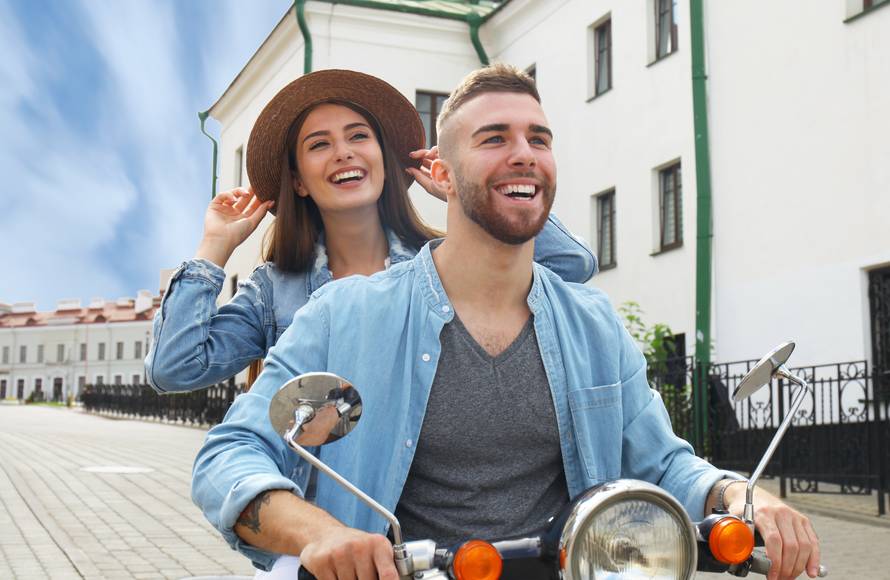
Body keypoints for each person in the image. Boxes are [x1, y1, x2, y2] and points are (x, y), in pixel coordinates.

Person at [192, 65, 821, 580]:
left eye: (538, 140)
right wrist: (321, 534)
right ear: (439, 173)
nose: (523, 156)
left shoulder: (593, 323)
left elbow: (661, 466)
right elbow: (230, 454)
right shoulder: (345, 313)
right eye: (494, 138)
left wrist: (742, 497)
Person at [144, 69, 596, 395]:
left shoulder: (441, 262)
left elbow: (569, 267)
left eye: (359, 136)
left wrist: (463, 187)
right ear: (298, 180)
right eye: (319, 144)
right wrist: (213, 248)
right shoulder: (274, 291)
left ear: (384, 158)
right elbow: (174, 369)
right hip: (318, 509)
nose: (343, 153)